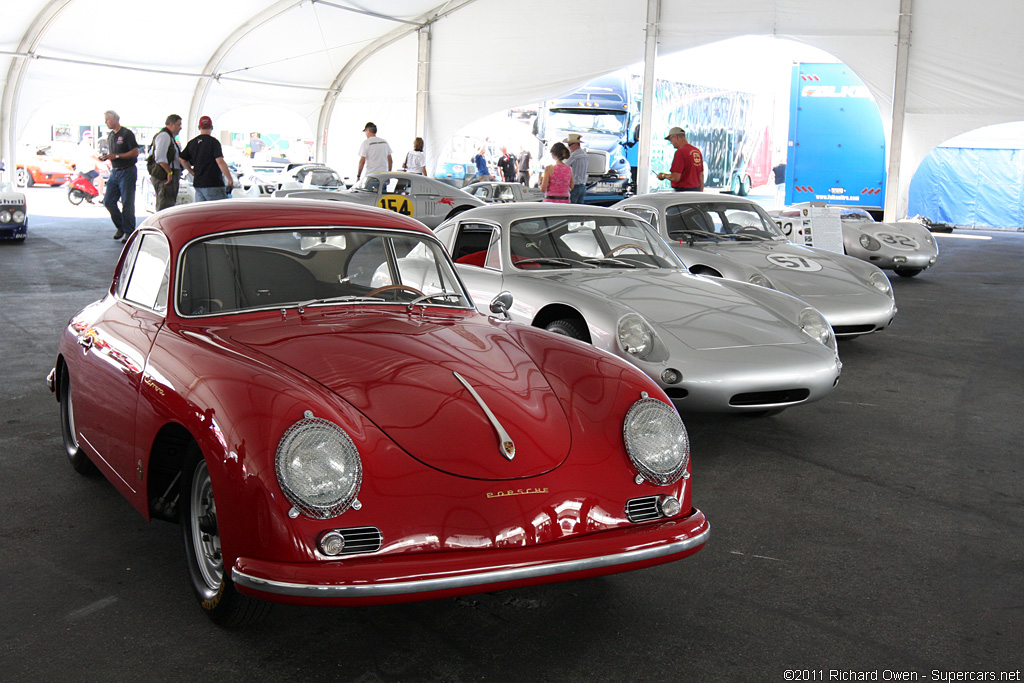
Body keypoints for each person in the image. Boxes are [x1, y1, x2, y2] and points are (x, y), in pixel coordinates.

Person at [98, 110, 140, 242]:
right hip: (115, 171)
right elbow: (113, 153)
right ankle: (121, 226)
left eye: (108, 120)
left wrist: (116, 156)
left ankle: (129, 231)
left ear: (116, 119)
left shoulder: (127, 134)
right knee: (108, 201)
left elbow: (134, 152)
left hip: (127, 171)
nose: (106, 122)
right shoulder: (110, 136)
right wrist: (108, 158)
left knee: (127, 202)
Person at [178, 115, 234, 202]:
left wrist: (191, 171)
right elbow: (220, 162)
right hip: (213, 183)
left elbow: (182, 159)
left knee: (202, 212)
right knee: (217, 212)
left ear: (199, 127)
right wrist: (229, 178)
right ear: (211, 127)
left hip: (198, 184)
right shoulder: (214, 142)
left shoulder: (192, 143)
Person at [148, 114, 183, 212]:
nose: (180, 128)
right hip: (165, 176)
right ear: (171, 124)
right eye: (178, 125)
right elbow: (160, 157)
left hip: (168, 174)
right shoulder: (164, 136)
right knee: (165, 206)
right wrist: (169, 173)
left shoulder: (169, 137)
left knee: (167, 204)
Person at [657, 126, 704, 192]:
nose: (671, 142)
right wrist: (700, 193)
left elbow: (675, 177)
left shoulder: (680, 152)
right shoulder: (697, 151)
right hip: (696, 191)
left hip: (683, 192)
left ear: (675, 137)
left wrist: (662, 175)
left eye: (671, 140)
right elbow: (701, 175)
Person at [564, 133, 589, 203]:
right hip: (582, 186)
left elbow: (564, 166)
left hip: (574, 186)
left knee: (571, 209)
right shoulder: (585, 155)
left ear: (575, 144)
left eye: (569, 145)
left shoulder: (574, 155)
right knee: (579, 209)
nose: (569, 147)